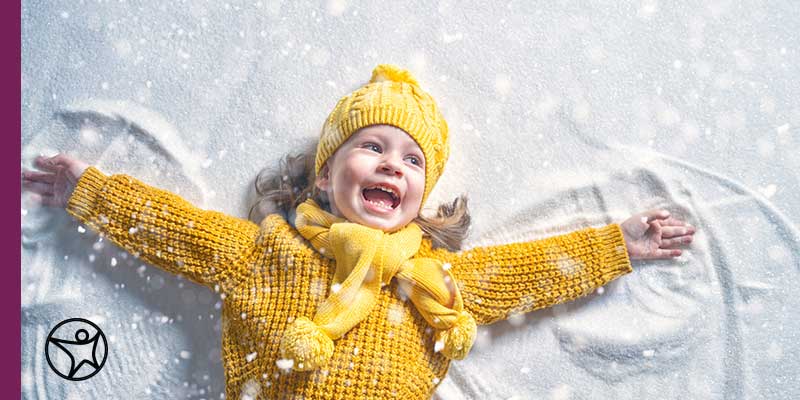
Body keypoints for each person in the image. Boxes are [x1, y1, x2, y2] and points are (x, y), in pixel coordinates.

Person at [21, 64, 696, 399]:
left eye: (411, 161)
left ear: (419, 200)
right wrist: (89, 191)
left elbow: (534, 268)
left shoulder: (433, 277)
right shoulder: (267, 252)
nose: (390, 166)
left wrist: (617, 245)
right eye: (370, 147)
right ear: (323, 178)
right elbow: (175, 229)